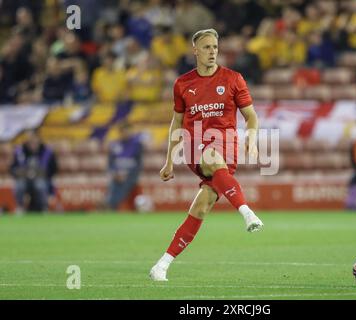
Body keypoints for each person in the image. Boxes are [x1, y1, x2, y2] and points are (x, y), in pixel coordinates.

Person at [149, 28, 263, 282]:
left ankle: (161, 265)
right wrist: (169, 160)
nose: (212, 52)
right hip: (195, 145)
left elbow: (251, 116)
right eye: (207, 47)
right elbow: (176, 122)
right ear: (195, 51)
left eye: (215, 47)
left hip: (227, 147)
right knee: (210, 156)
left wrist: (252, 139)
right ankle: (246, 212)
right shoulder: (183, 83)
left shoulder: (233, 79)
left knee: (201, 207)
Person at [9, 130, 58, 213]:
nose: (33, 142)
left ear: (39, 139)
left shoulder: (47, 151)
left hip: (41, 179)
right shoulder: (20, 151)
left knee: (40, 185)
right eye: (31, 140)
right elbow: (12, 168)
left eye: (35, 140)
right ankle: (20, 207)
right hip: (24, 179)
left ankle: (43, 207)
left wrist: (44, 173)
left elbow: (53, 169)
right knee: (19, 185)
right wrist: (19, 172)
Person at [106, 122, 143, 210]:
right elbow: (110, 163)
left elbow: (139, 163)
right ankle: (109, 203)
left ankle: (111, 204)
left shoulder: (137, 145)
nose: (126, 133)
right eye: (123, 131)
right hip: (117, 175)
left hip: (130, 175)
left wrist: (128, 174)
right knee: (113, 186)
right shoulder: (114, 145)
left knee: (121, 188)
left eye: (128, 131)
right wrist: (115, 173)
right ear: (120, 132)